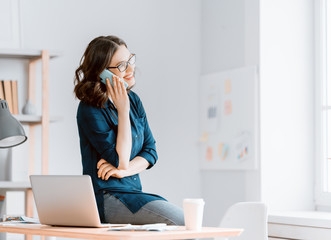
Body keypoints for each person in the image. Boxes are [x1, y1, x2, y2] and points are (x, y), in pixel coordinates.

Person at [74, 35, 184, 225]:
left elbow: (150, 152)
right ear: (102, 73)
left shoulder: (134, 100)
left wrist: (122, 172)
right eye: (122, 65)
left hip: (134, 193)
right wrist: (123, 110)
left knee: (188, 224)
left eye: (130, 61)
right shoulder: (89, 109)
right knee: (180, 221)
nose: (131, 69)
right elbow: (120, 160)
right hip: (108, 197)